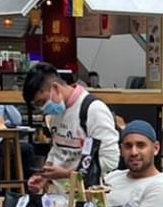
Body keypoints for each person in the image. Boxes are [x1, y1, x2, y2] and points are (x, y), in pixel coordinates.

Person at [21, 61, 119, 192]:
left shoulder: (93, 110)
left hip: (89, 195)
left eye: (42, 102)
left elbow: (110, 160)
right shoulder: (56, 112)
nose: (43, 108)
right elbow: (58, 149)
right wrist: (45, 174)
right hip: (61, 196)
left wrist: (68, 174)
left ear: (56, 88)